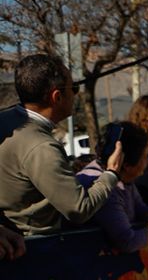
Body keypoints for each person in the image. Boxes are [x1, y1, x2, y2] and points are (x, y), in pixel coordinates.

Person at [0, 53, 122, 233]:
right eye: (74, 88)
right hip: (35, 243)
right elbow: (79, 209)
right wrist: (111, 173)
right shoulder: (43, 148)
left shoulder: (5, 121)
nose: (75, 94)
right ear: (56, 97)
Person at [74, 122, 148, 253]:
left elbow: (140, 209)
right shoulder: (104, 188)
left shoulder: (123, 179)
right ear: (126, 165)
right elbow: (128, 241)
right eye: (145, 157)